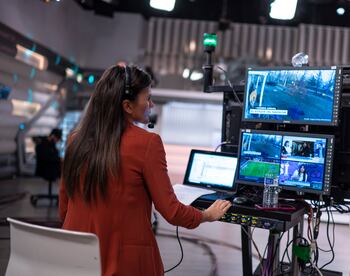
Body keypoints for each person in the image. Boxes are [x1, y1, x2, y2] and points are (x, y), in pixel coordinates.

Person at [59, 65, 231, 276]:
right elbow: (172, 212)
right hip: (123, 265)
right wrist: (206, 215)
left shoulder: (75, 140)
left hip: (74, 262)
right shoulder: (147, 144)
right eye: (147, 98)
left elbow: (64, 206)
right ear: (127, 106)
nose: (151, 104)